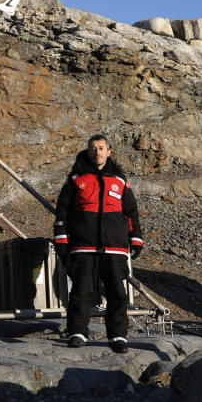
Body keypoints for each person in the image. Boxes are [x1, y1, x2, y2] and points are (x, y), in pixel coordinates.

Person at [53, 134, 143, 354]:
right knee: (80, 292)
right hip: (83, 246)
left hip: (114, 248)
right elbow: (62, 212)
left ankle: (118, 337)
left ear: (109, 151)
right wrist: (62, 243)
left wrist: (136, 239)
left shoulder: (120, 180)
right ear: (88, 150)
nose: (97, 152)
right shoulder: (75, 178)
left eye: (101, 148)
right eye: (93, 148)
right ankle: (77, 333)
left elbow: (131, 213)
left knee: (117, 294)